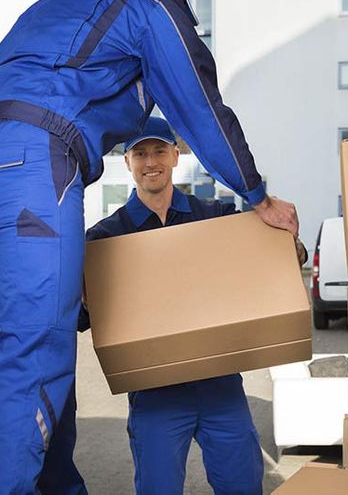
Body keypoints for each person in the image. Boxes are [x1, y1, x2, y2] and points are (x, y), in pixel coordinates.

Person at [0, 0, 299, 492]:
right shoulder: (152, 5)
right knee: (35, 348)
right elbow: (200, 106)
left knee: (48, 340)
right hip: (38, 160)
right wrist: (256, 193)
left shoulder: (64, 6)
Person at [83, 118, 307, 495]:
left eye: (158, 151)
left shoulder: (215, 218)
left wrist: (291, 247)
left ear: (175, 155)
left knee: (243, 486)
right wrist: (85, 296)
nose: (150, 161)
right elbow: (83, 317)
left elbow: (265, 264)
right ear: (127, 162)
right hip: (155, 394)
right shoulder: (106, 238)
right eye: (140, 153)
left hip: (220, 387)